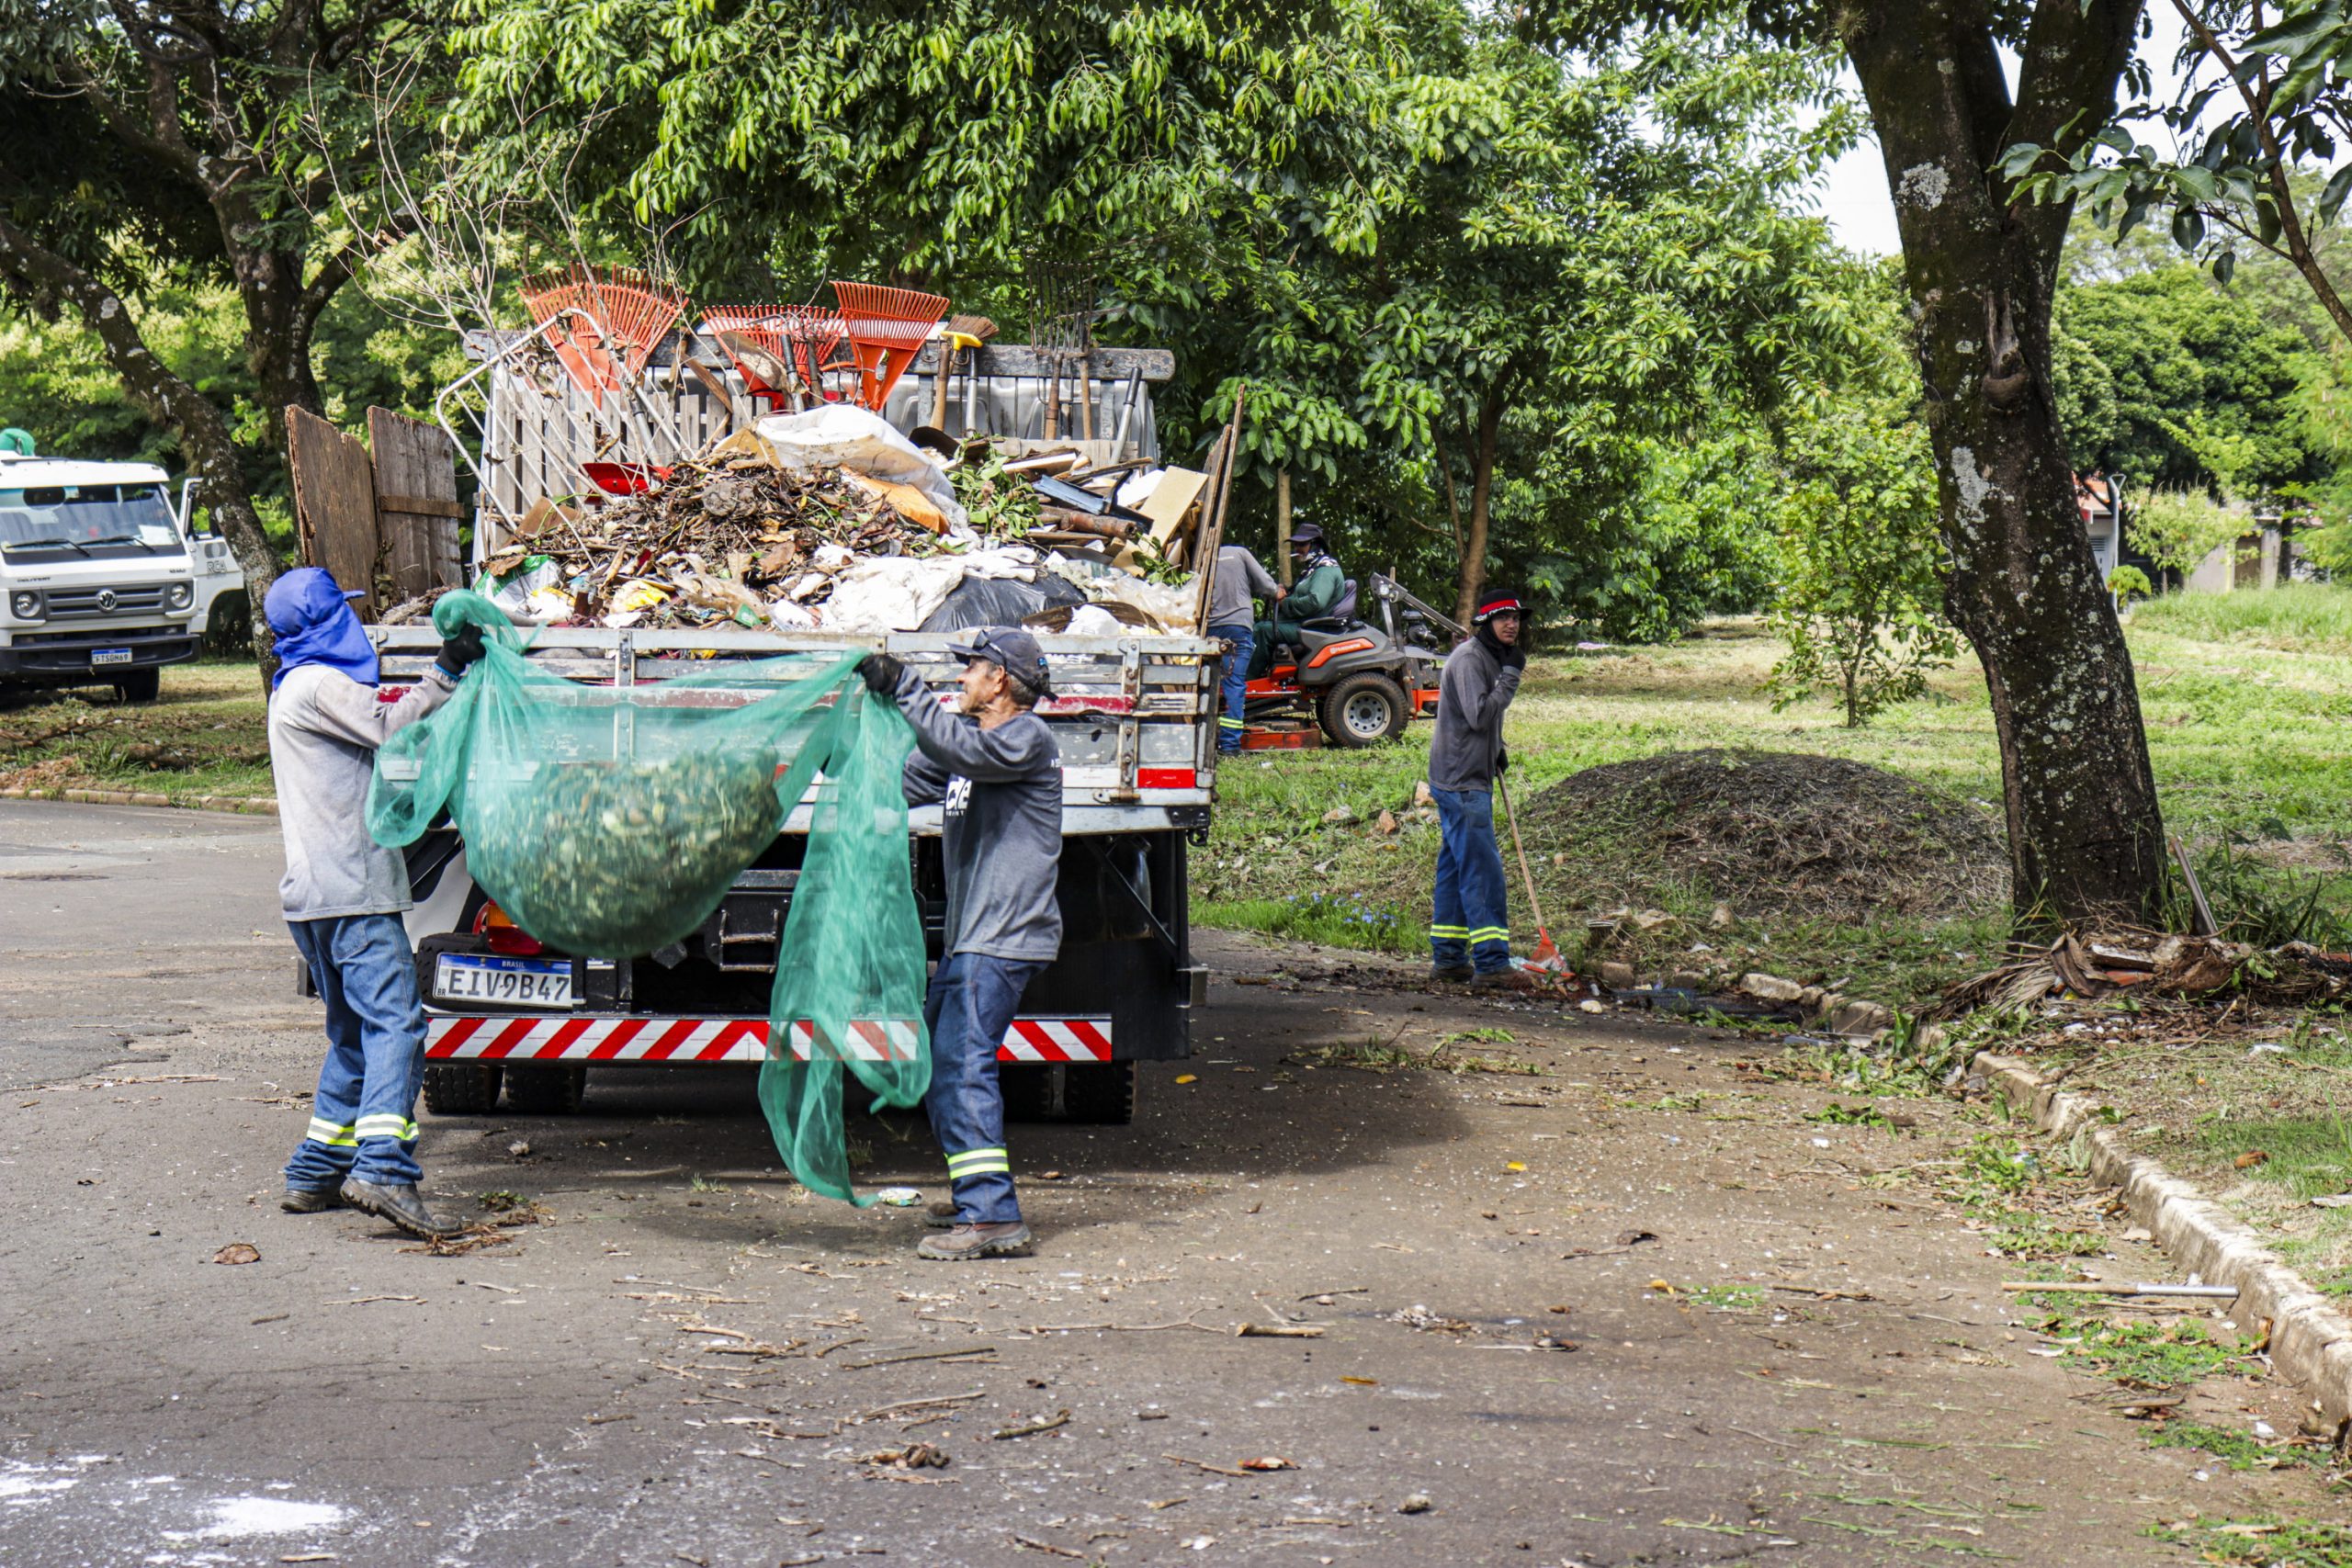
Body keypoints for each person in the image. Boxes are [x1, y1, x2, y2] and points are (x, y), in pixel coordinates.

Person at [269, 568, 486, 1235]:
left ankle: (315, 1169)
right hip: (352, 894)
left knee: (354, 1034)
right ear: (324, 622)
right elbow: (391, 724)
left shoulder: (291, 689)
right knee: (398, 1024)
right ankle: (384, 1169)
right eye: (344, 612)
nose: (355, 626)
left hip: (314, 897)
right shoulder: (318, 684)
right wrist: (448, 667)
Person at [859, 627, 1063, 1260]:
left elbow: (953, 746)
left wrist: (906, 687)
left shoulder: (1026, 738)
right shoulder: (972, 745)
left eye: (971, 669)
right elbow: (905, 779)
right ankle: (975, 1195)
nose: (962, 680)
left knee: (966, 1064)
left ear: (999, 679)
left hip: (1001, 939)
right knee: (944, 1065)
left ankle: (992, 1213)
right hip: (970, 939)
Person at [1426, 587, 1537, 992]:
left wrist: (1498, 748)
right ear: (1485, 623)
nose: (1512, 624)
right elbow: (1478, 714)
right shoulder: (1473, 659)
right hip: (1461, 782)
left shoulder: (1488, 655)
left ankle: (1450, 958)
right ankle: (1491, 963)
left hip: (1465, 773)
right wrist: (1511, 678)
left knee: (1455, 870)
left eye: (1517, 617)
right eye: (1503, 617)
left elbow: (1479, 720)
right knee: (1482, 871)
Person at [1206, 542, 1282, 754]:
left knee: (1209, 683)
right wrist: (1277, 592)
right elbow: (1266, 586)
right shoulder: (1240, 553)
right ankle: (1229, 746)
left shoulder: (1204, 555)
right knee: (1233, 684)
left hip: (1208, 627)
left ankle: (1205, 739)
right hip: (1237, 627)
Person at [1250, 522, 1347, 676]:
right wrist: (1285, 592)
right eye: (1296, 545)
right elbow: (1303, 594)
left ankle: (1246, 683)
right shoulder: (1313, 569)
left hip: (1312, 628)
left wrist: (1285, 602)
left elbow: (1316, 601)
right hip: (1303, 623)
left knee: (1263, 631)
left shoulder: (1326, 570)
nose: (1297, 549)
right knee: (1257, 626)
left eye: (1302, 544)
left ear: (1315, 545)